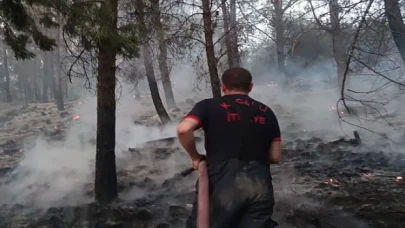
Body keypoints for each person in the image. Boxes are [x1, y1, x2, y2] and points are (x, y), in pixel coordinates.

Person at [177, 67, 282, 228]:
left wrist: (195, 157)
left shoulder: (207, 106)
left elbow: (184, 129)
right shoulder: (267, 112)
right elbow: (275, 157)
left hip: (221, 183)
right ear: (250, 87)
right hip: (260, 183)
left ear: (223, 86)